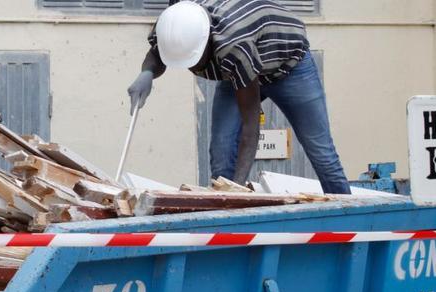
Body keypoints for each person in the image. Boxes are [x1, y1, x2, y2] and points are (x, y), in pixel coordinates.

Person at [128, 0, 352, 194]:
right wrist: (147, 73)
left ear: (206, 43)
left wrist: (237, 188)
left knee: (320, 150)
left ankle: (350, 219)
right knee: (221, 148)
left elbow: (250, 127)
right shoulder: (174, 22)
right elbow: (157, 53)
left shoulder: (233, 46)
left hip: (289, 67)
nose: (192, 67)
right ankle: (225, 221)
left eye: (193, 60)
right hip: (239, 68)